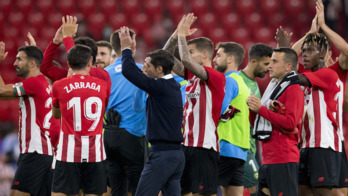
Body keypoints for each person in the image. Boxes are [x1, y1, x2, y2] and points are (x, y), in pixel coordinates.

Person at [277, 1, 348, 195]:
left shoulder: (332, 73)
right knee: (304, 191)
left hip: (327, 142)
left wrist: (323, 27)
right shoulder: (306, 75)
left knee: (332, 192)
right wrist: (309, 33)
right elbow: (289, 62)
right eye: (305, 51)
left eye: (310, 51)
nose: (305, 55)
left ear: (324, 53)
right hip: (306, 143)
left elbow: (347, 51)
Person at [120, 26, 185, 196]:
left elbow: (128, 70)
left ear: (159, 70)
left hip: (162, 156)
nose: (144, 68)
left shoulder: (162, 87)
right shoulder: (170, 86)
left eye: (147, 66)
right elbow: (139, 106)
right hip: (175, 155)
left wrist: (126, 49)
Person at [171, 14, 226, 196]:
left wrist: (181, 36)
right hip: (186, 144)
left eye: (192, 51)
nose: (188, 54)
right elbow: (164, 57)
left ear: (204, 54)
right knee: (185, 192)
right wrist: (175, 35)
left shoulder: (216, 77)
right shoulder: (191, 76)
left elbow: (185, 59)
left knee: (205, 194)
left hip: (205, 146)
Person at [51, 44, 110, 196]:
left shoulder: (58, 85)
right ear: (90, 61)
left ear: (68, 64)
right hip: (95, 153)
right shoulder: (103, 86)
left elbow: (56, 115)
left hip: (68, 153)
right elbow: (103, 110)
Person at [0, 43, 58, 196]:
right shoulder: (44, 83)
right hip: (45, 154)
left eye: (19, 59)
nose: (14, 63)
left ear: (32, 63)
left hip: (35, 152)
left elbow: (1, 91)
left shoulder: (34, 83)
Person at [247, 48, 304, 196]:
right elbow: (258, 124)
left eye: (274, 61)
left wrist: (261, 109)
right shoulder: (272, 89)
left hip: (283, 159)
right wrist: (253, 110)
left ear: (288, 66)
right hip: (268, 159)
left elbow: (291, 123)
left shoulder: (293, 89)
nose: (269, 66)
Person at [104, 28, 147, 196]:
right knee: (138, 189)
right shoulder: (142, 71)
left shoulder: (102, 73)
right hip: (133, 136)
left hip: (109, 135)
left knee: (116, 189)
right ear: (132, 45)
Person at [212, 42, 250, 196]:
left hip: (226, 146)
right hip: (240, 150)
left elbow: (219, 111)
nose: (214, 59)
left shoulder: (228, 81)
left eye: (219, 55)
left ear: (230, 59)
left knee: (205, 191)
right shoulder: (242, 82)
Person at [239, 43, 273, 196]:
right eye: (266, 64)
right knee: (259, 189)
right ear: (253, 61)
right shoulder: (238, 80)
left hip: (251, 146)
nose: (268, 68)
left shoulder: (254, 83)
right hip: (240, 146)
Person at [40, 16, 111, 86]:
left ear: (90, 59)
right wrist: (55, 42)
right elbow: (44, 67)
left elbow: (79, 61)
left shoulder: (102, 74)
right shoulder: (67, 74)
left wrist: (67, 37)